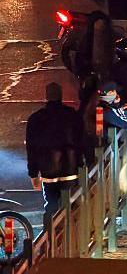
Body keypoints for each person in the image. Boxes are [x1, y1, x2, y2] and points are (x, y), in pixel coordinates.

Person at [26, 82, 85, 217]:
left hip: (48, 170)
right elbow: (81, 141)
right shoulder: (72, 115)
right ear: (61, 96)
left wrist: (33, 174)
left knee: (52, 207)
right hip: (70, 167)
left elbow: (31, 148)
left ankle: (53, 234)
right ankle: (72, 235)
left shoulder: (36, 119)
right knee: (72, 205)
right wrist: (81, 163)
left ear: (46, 97)